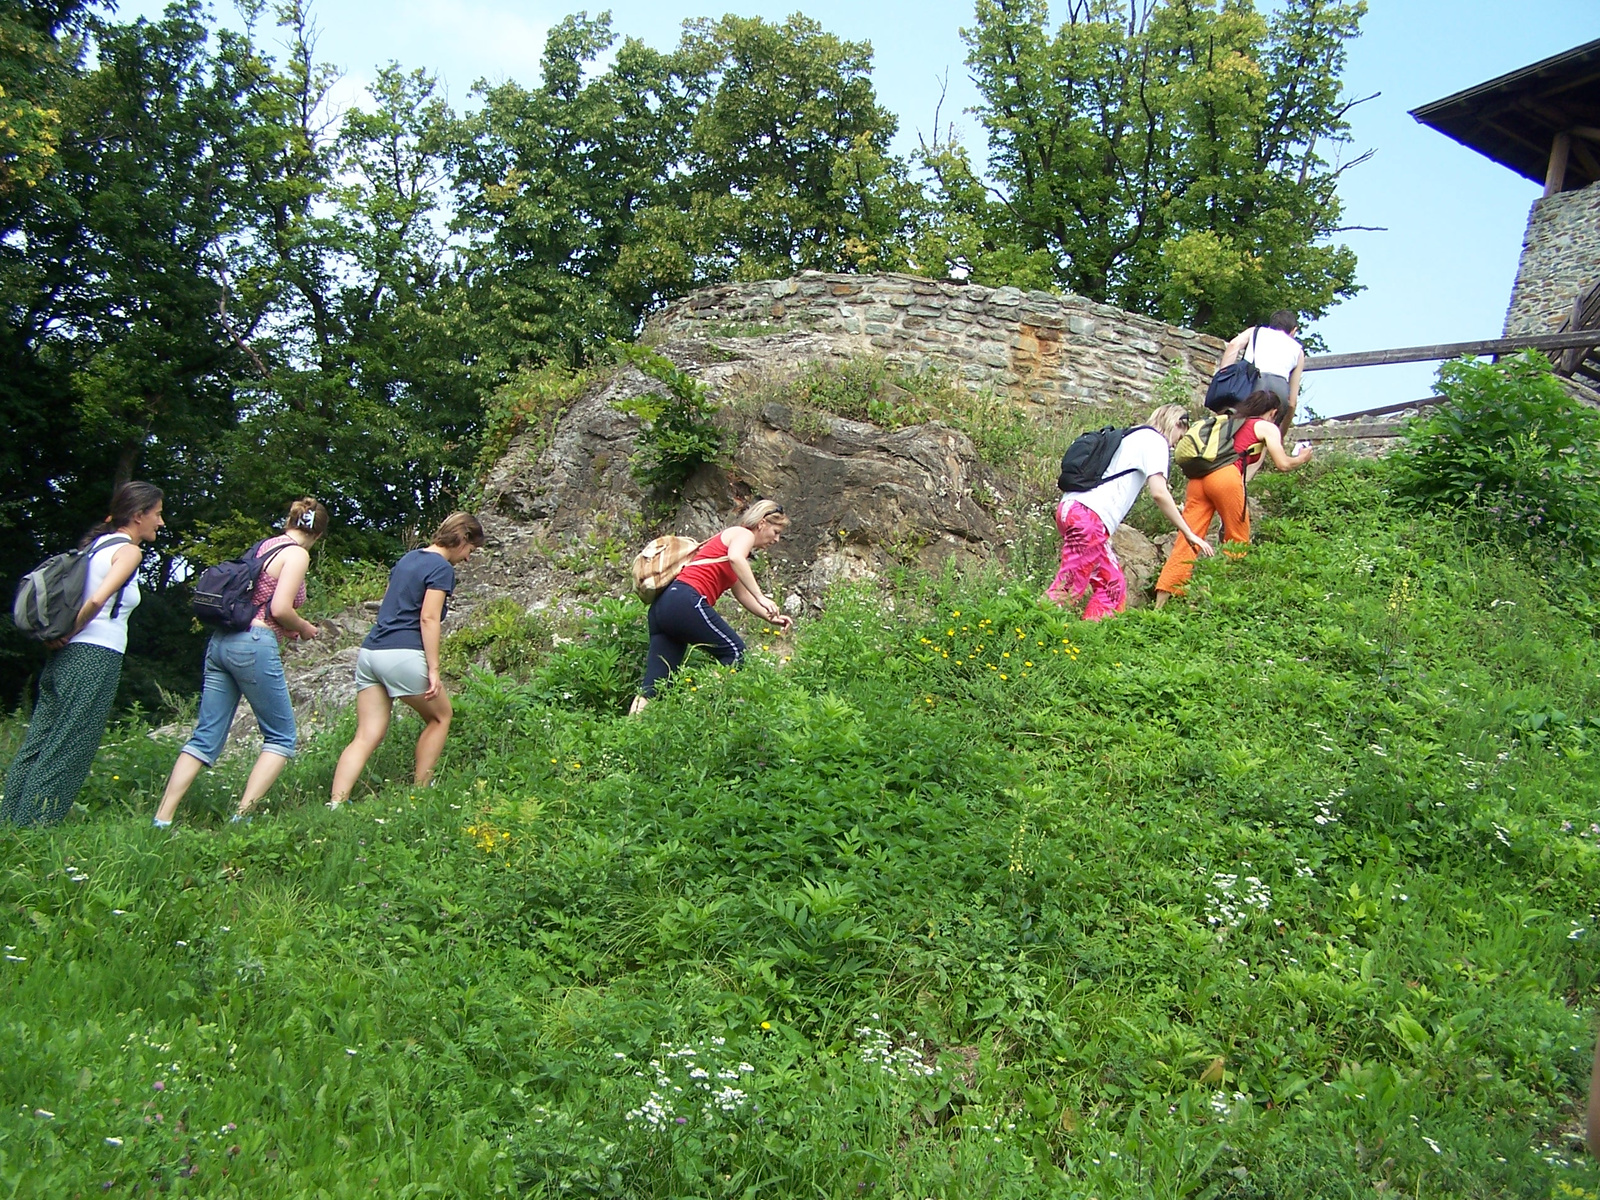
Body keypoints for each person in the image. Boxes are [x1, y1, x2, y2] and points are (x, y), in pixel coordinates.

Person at [152, 498, 328, 826]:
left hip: (222, 641)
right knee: (281, 737)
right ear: (318, 534)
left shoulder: (264, 546)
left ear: (290, 522)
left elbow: (255, 598)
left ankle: (162, 819)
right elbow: (279, 609)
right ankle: (242, 820)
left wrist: (283, 628)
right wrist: (302, 627)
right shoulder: (298, 554)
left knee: (205, 736)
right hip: (253, 645)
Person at [3, 483, 165, 827]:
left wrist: (62, 638)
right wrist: (70, 632)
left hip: (62, 661)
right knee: (70, 745)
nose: (161, 522)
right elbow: (96, 601)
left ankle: (8, 824)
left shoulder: (94, 546)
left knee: (39, 742)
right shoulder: (128, 551)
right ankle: (34, 829)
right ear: (138, 516)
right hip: (95, 656)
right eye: (157, 513)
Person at [327, 512, 486, 807]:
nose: (467, 558)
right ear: (462, 538)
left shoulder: (408, 559)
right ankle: (421, 793)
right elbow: (428, 618)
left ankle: (336, 803)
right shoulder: (441, 568)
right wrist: (435, 669)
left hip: (370, 653)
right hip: (403, 653)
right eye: (470, 550)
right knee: (441, 716)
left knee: (366, 733)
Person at [1046, 405, 1214, 620]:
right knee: (1067, 589)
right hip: (1089, 517)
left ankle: (1089, 639)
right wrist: (1188, 532)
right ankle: (1031, 633)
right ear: (1177, 424)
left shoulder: (1132, 434)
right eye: (1180, 436)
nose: (1176, 444)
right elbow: (1159, 493)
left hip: (1071, 508)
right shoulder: (1156, 441)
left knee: (1112, 587)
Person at [630, 500, 794, 714]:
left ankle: (628, 737)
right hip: (685, 600)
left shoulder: (729, 548)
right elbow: (737, 558)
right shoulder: (742, 534)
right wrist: (762, 596)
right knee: (737, 654)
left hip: (663, 607)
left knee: (653, 687)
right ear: (762, 523)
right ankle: (695, 708)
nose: (776, 539)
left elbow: (741, 593)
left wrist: (770, 617)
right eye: (776, 531)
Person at [1152, 391, 1313, 608]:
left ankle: (1160, 604)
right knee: (1237, 537)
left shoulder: (1227, 422)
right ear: (1273, 412)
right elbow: (1283, 464)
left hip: (1198, 481)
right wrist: (1302, 458)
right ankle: (1225, 596)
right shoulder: (1266, 426)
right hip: (1225, 478)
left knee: (1188, 538)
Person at [1218, 310, 1305, 422]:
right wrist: (1281, 434)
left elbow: (1233, 345)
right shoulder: (1299, 351)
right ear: (1294, 331)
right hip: (1279, 393)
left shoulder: (1255, 331)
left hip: (1252, 387)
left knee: (1239, 426)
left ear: (1271, 325)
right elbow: (1292, 403)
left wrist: (1224, 377)